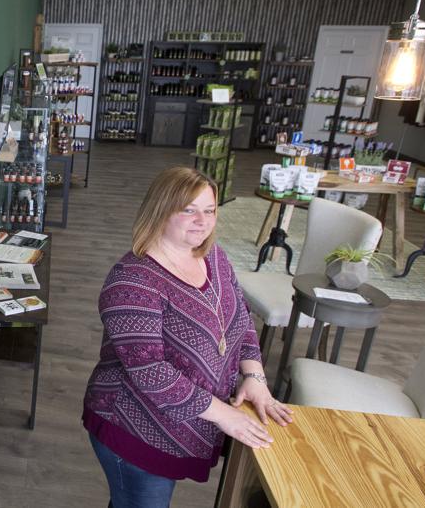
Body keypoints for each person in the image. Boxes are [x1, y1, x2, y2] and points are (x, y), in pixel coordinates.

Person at [82, 167, 292, 508]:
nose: (203, 221)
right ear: (160, 210)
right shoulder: (132, 283)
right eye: (189, 210)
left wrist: (254, 376)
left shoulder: (215, 257)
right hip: (134, 427)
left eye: (209, 210)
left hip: (188, 423)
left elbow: (240, 319)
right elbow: (152, 372)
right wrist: (225, 415)